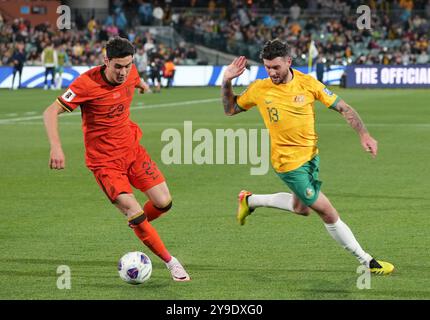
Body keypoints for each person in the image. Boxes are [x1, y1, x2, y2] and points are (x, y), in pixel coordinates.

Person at [221, 39, 394, 275]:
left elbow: (343, 108)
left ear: (289, 62)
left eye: (276, 67)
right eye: (267, 67)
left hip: (311, 157)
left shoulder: (308, 84)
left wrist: (364, 134)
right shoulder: (259, 89)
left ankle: (249, 200)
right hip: (288, 164)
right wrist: (226, 81)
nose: (271, 72)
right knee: (327, 211)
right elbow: (230, 109)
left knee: (301, 208)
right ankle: (367, 261)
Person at [43, 37, 190, 282]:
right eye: (118, 67)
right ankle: (171, 262)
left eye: (128, 66)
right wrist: (56, 147)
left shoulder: (130, 74)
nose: (123, 72)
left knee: (164, 202)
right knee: (134, 211)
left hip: (132, 151)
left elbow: (135, 79)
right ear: (106, 61)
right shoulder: (85, 84)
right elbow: (50, 111)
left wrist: (142, 84)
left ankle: (138, 224)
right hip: (105, 163)